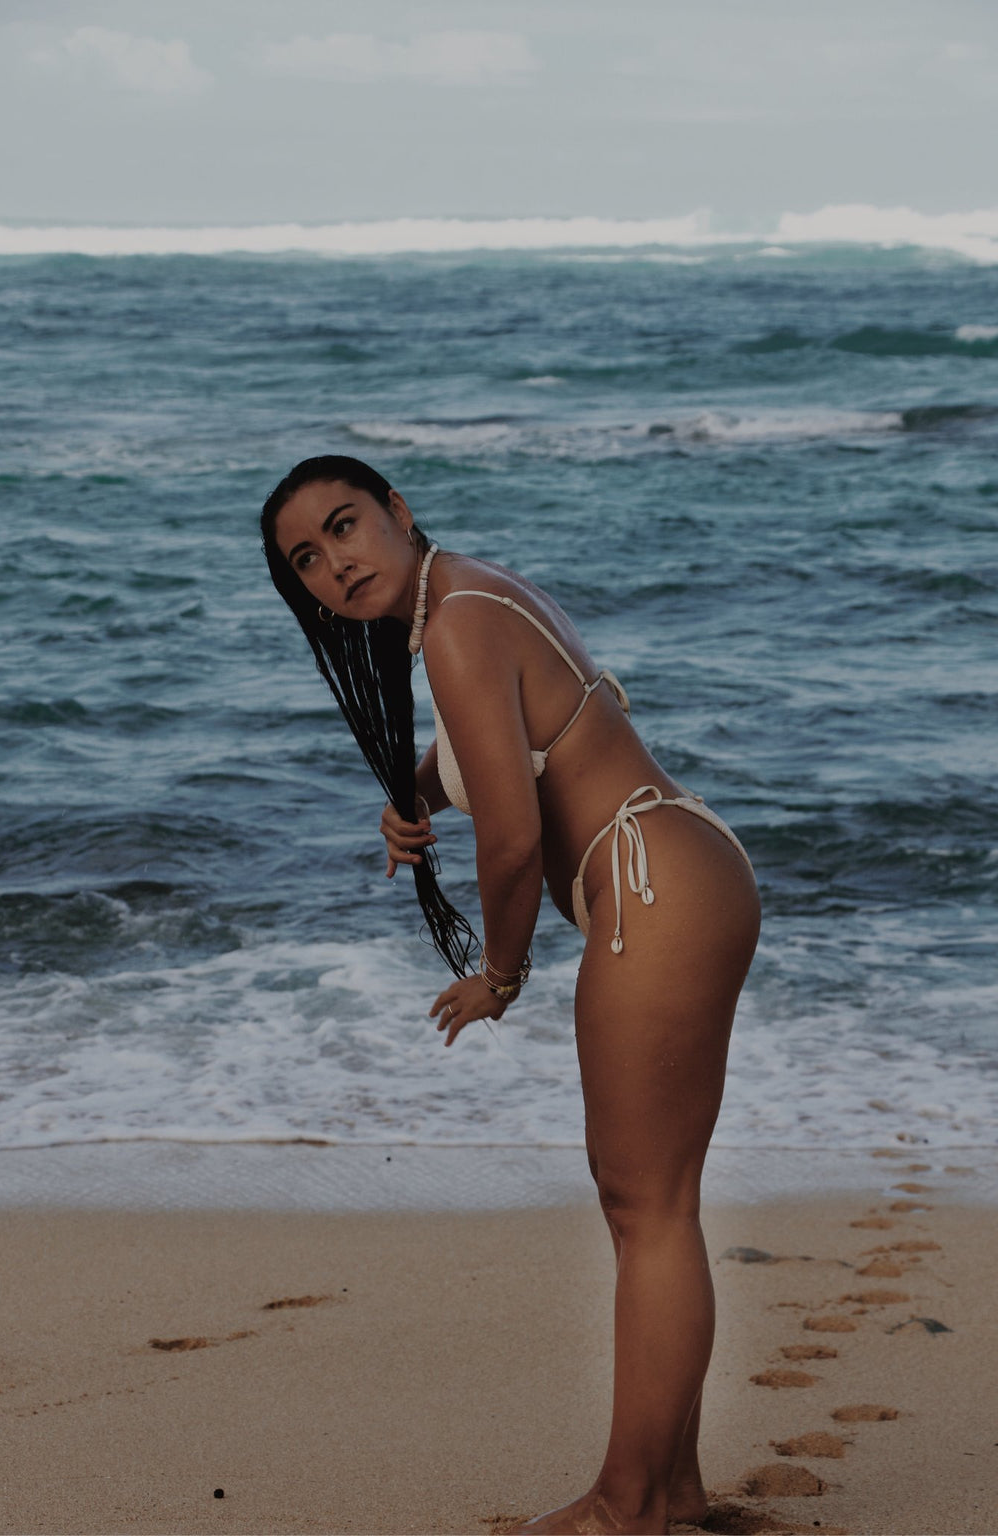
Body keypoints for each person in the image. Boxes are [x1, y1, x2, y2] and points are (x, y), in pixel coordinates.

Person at [261, 454, 760, 1536]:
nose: (334, 565)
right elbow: (541, 727)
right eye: (306, 558)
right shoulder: (475, 593)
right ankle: (669, 1494)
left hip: (646, 883)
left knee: (648, 1210)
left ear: (396, 512)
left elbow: (515, 839)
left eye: (345, 527)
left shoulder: (449, 625)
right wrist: (415, 794)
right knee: (649, 1207)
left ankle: (626, 1504)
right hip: (674, 868)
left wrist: (500, 973)